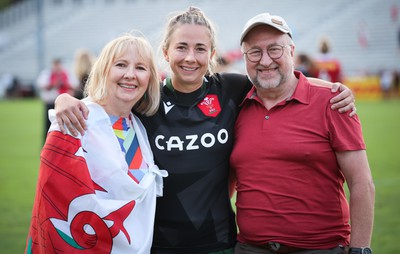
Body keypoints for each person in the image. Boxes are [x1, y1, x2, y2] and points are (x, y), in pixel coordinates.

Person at [53, 7, 356, 254]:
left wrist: (333, 90)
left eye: (200, 49)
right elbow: (104, 102)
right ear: (166, 51)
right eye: (181, 47)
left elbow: (280, 79)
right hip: (155, 243)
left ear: (212, 53)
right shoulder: (147, 98)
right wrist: (64, 98)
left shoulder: (232, 89)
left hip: (220, 243)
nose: (190, 57)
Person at [230, 12, 375, 254]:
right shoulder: (236, 106)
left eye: (275, 49)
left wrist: (361, 250)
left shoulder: (333, 101)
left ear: (291, 51)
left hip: (320, 248)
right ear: (245, 57)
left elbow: (362, 183)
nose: (265, 61)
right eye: (254, 52)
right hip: (249, 248)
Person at [25, 33, 167, 254]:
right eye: (121, 65)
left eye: (141, 68)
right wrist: (62, 98)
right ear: (104, 70)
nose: (130, 75)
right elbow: (51, 212)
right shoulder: (71, 122)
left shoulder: (140, 126)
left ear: (150, 78)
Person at [36, 58, 74, 143]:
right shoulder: (47, 73)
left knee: (64, 124)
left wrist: (64, 84)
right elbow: (41, 85)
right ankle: (47, 143)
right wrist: (53, 84)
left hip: (64, 103)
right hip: (50, 102)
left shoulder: (66, 73)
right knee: (48, 124)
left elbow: (74, 86)